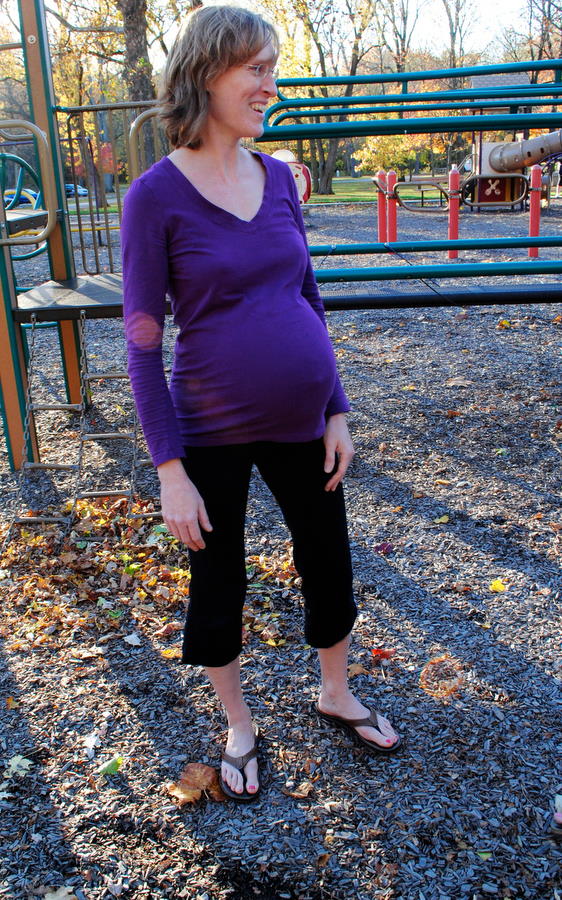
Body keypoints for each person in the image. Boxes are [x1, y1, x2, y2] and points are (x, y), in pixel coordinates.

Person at [122, 4, 400, 803]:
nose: (269, 86)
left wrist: (336, 408)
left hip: (302, 420)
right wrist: (170, 471)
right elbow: (141, 342)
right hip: (208, 429)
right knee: (219, 580)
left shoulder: (279, 178)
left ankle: (335, 692)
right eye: (256, 70)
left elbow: (307, 295)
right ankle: (240, 726)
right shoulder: (154, 197)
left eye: (272, 70)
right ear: (206, 73)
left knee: (328, 560)